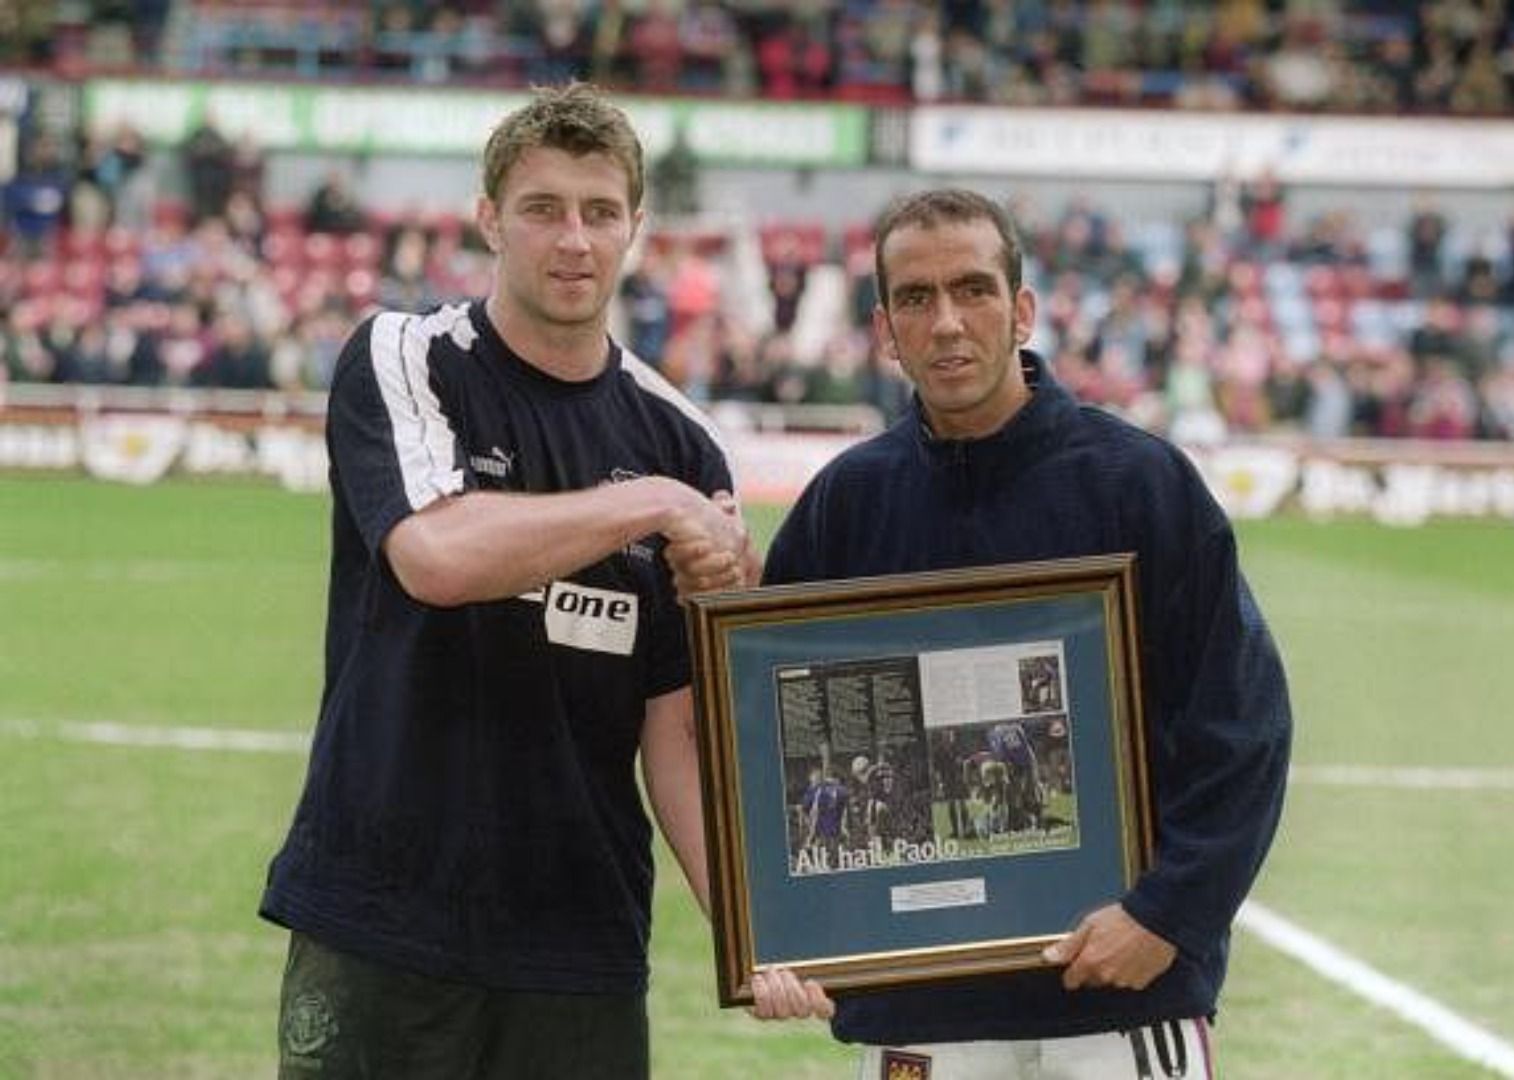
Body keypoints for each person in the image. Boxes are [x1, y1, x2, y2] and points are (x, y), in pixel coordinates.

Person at [258, 83, 756, 1080]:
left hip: (578, 938)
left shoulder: (681, 441)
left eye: (600, 212)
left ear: (636, 229)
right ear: (489, 220)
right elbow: (436, 559)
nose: (574, 240)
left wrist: (751, 931)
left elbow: (678, 734)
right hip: (386, 918)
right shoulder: (404, 356)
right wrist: (648, 504)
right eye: (543, 209)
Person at [750, 188, 1292, 1079]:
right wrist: (790, 931)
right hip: (919, 1000)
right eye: (917, 300)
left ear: (1023, 309)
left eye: (974, 289)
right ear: (885, 329)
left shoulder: (1142, 484)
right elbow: (777, 750)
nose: (948, 322)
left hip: (1116, 994)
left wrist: (1167, 915)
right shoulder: (845, 505)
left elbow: (1244, 725)